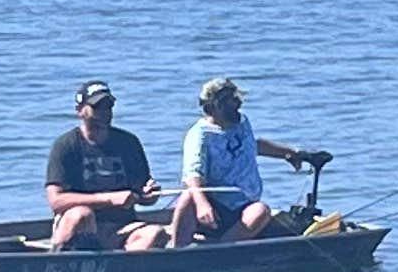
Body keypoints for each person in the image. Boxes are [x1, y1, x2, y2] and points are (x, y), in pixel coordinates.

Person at [44, 80, 159, 251]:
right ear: (79, 111)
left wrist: (148, 195)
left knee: (154, 233)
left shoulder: (128, 142)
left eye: (108, 106)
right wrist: (109, 199)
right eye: (97, 107)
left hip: (121, 227)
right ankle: (56, 261)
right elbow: (56, 200)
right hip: (82, 225)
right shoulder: (66, 145)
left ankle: (122, 271)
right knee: (81, 214)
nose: (104, 112)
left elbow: (142, 192)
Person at [172, 76, 273, 246]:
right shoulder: (200, 135)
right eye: (231, 101)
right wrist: (203, 204)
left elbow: (253, 145)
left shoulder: (242, 122)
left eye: (237, 99)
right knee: (188, 196)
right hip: (215, 205)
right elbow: (192, 175)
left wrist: (292, 154)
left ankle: (223, 246)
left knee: (261, 210)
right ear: (215, 106)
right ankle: (177, 251)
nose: (238, 104)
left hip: (244, 204)